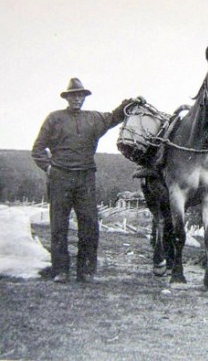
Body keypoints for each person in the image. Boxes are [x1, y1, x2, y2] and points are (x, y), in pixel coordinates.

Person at [32, 77, 140, 283]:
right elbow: (37, 149)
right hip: (60, 177)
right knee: (59, 225)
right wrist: (48, 168)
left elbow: (114, 117)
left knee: (89, 225)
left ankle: (86, 271)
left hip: (85, 178)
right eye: (73, 95)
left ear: (84, 97)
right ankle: (60, 271)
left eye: (80, 95)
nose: (77, 99)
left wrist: (130, 103)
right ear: (67, 97)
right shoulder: (54, 119)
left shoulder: (94, 119)